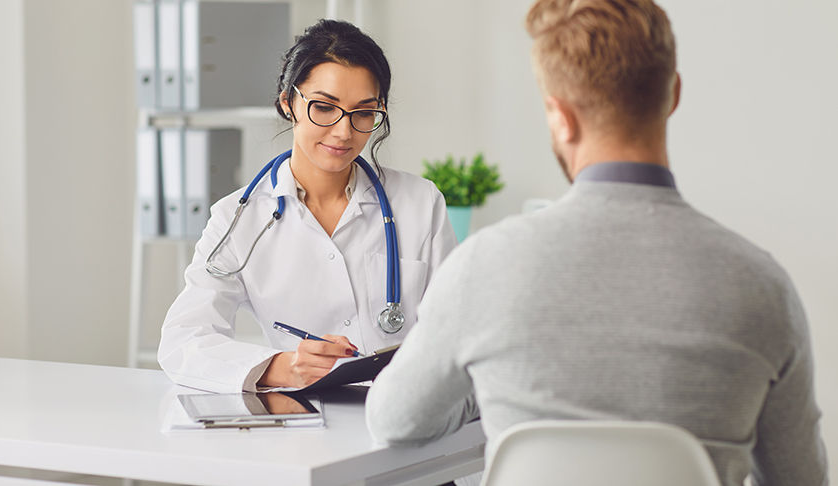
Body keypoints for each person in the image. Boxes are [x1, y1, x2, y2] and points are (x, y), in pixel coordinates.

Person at [365, 1, 828, 484]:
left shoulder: (484, 266)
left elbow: (395, 420)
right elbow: (800, 478)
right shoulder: (763, 286)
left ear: (559, 116)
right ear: (673, 95)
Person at [158, 19, 456, 393]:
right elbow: (183, 341)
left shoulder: (419, 203)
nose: (343, 131)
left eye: (364, 113)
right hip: (302, 426)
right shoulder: (238, 218)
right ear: (288, 103)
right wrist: (282, 367)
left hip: (406, 416)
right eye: (324, 107)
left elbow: (457, 329)